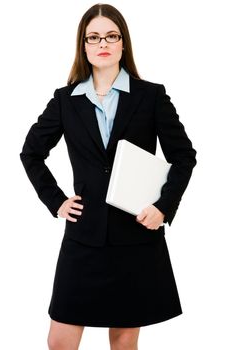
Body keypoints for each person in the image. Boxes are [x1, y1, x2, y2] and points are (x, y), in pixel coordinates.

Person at [20, 3, 197, 350]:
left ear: (123, 43)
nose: (103, 42)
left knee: (123, 342)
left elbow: (184, 157)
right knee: (59, 340)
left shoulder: (151, 97)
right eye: (94, 36)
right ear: (83, 45)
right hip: (83, 236)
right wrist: (56, 201)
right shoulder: (65, 101)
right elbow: (31, 153)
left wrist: (163, 207)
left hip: (135, 234)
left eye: (112, 35)